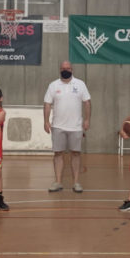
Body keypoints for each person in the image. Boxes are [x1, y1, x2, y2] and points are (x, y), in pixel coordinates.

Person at [43, 59, 91, 192]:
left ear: (72, 70)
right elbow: (47, 104)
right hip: (58, 126)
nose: (65, 70)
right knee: (58, 154)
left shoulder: (80, 84)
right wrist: (46, 121)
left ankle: (76, 182)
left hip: (76, 127)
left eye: (68, 68)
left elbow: (87, 102)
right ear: (60, 70)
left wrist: (87, 120)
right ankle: (58, 182)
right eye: (63, 68)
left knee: (76, 154)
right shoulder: (53, 85)